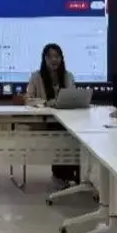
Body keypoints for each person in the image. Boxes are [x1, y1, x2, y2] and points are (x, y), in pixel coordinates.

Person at [26, 43, 79, 184]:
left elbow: (73, 96)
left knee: (73, 136)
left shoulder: (68, 76)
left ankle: (72, 173)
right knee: (62, 134)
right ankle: (64, 173)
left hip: (68, 121)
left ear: (62, 58)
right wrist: (45, 103)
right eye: (50, 57)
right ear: (45, 59)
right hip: (45, 122)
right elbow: (28, 99)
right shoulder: (36, 77)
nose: (54, 60)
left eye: (57, 56)